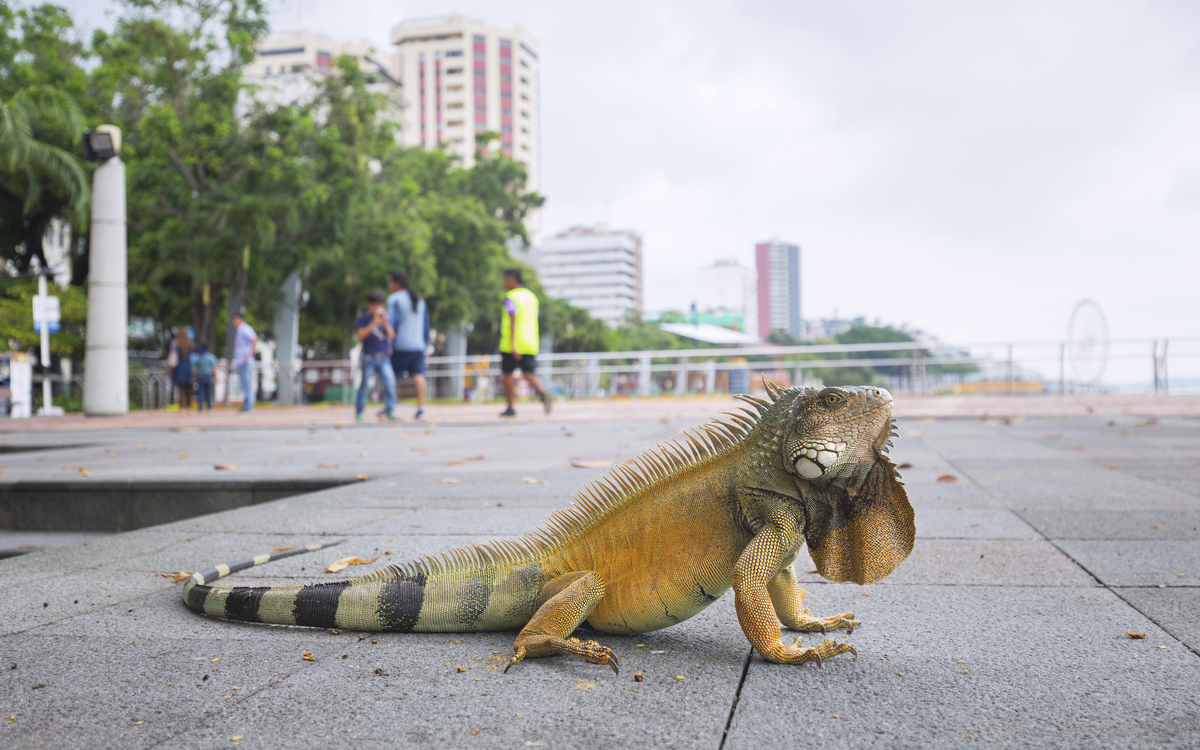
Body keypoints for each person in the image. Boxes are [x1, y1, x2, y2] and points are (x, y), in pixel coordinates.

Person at [499, 268, 551, 417]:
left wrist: (513, 344)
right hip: (530, 342)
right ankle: (542, 392)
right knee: (529, 372)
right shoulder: (532, 297)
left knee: (508, 374)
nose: (504, 282)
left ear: (512, 279)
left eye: (505, 279)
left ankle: (510, 407)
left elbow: (513, 319)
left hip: (512, 343)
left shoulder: (511, 297)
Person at [387, 270, 430, 421]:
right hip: (418, 346)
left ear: (396, 283)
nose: (388, 285)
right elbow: (426, 324)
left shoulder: (394, 299)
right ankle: (421, 409)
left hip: (400, 345)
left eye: (390, 282)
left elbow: (391, 323)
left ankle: (390, 407)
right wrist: (425, 344)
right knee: (418, 376)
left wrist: (388, 344)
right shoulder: (419, 299)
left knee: (391, 377)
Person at [354, 289, 397, 422]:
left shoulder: (385, 319)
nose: (377, 308)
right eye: (374, 305)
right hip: (368, 357)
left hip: (383, 357)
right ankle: (360, 412)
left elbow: (392, 336)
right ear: (369, 305)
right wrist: (373, 323)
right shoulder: (363, 319)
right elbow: (360, 336)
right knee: (365, 385)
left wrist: (386, 322)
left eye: (379, 305)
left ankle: (390, 410)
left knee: (390, 383)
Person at [231, 312, 258, 412]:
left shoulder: (245, 329)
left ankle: (248, 406)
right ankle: (246, 405)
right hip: (241, 361)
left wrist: (251, 354)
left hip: (246, 361)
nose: (234, 322)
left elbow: (254, 339)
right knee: (244, 384)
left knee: (247, 384)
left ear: (241, 320)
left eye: (236, 319)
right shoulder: (239, 330)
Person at [167, 327, 194, 411]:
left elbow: (172, 355)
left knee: (180, 388)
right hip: (188, 366)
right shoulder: (190, 343)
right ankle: (188, 405)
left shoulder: (175, 342)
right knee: (188, 388)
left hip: (179, 367)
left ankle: (182, 406)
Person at [191, 343, 217, 412]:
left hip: (200, 376)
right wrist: (216, 376)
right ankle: (209, 407)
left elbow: (194, 366)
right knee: (208, 392)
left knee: (200, 392)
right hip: (208, 376)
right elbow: (214, 367)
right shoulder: (211, 357)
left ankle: (200, 407)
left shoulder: (199, 357)